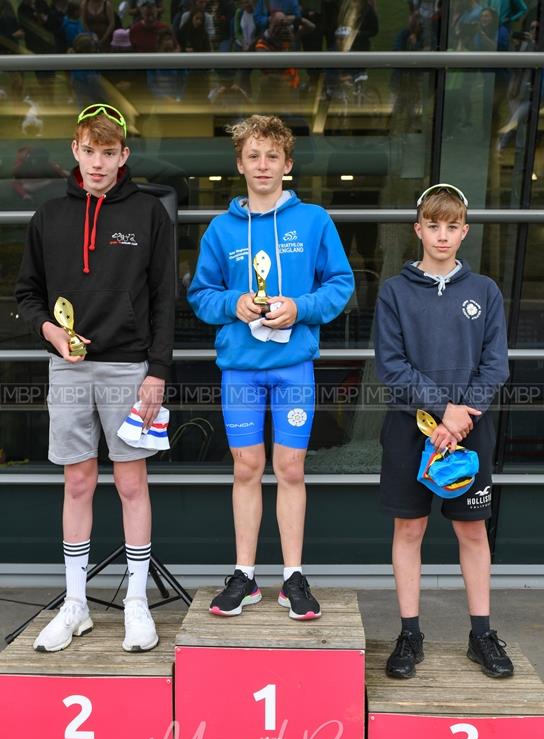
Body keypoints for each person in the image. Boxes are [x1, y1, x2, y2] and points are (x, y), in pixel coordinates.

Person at [15, 104, 175, 653]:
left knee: (132, 484)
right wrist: (49, 332)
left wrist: (157, 372)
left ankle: (135, 602)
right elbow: (27, 293)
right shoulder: (48, 217)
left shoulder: (150, 214)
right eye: (90, 151)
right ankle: (76, 603)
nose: (99, 162)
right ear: (75, 151)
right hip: (69, 366)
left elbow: (163, 300)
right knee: (77, 481)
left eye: (110, 153)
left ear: (124, 155)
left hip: (130, 368)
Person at [188, 115, 354, 621]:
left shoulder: (314, 220)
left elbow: (341, 284)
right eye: (253, 157)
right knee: (246, 467)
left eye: (272, 157)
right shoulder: (221, 228)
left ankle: (292, 577)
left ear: (287, 163)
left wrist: (300, 308)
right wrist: (233, 303)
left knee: (291, 468)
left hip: (293, 368)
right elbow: (200, 294)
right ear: (240, 165)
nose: (263, 165)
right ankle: (244, 576)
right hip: (241, 369)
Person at [374, 183, 514, 679]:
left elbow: (494, 366)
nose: (442, 235)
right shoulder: (394, 291)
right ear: (418, 230)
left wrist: (460, 417)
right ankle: (410, 633)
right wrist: (442, 412)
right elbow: (391, 366)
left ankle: (482, 634)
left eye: (451, 226)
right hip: (410, 428)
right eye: (433, 225)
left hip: (470, 429)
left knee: (472, 530)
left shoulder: (485, 292)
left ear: (465, 232)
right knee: (409, 528)